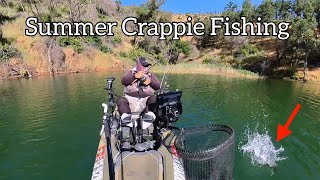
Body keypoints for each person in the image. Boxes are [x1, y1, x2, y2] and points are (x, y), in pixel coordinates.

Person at [117, 57, 161, 123]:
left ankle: (148, 117)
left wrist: (150, 82)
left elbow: (158, 86)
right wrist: (134, 76)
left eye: (147, 66)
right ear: (139, 66)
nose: (146, 67)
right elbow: (123, 81)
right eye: (144, 65)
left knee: (154, 98)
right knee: (121, 100)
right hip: (130, 99)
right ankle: (127, 119)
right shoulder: (130, 72)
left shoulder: (151, 75)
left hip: (145, 100)